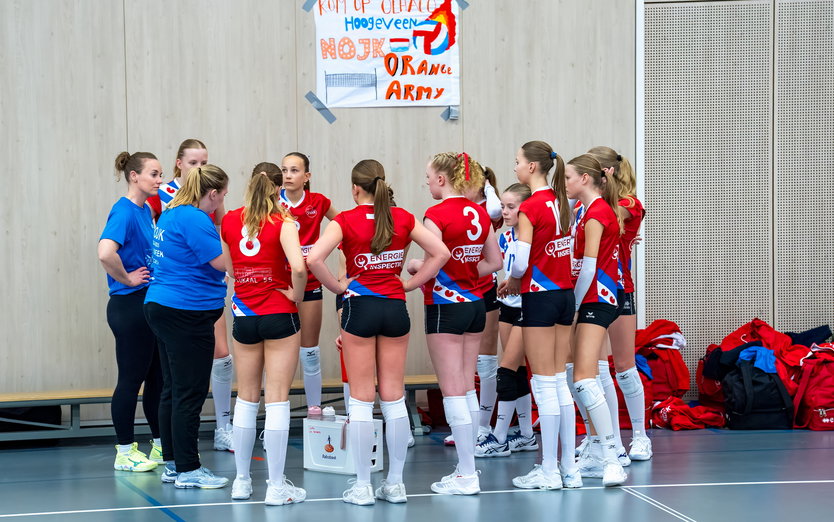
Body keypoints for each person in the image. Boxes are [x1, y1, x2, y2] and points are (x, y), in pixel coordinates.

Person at [307, 159, 449, 506]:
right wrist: (410, 284)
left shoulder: (345, 220)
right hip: (395, 309)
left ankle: (362, 486)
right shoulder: (403, 217)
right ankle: (395, 485)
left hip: (360, 308)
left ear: (355, 188)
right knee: (393, 398)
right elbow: (441, 252)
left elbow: (313, 259)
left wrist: (339, 287)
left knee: (360, 399)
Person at [410, 152, 502, 495]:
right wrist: (465, 275)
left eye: (429, 177)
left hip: (445, 306)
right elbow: (495, 261)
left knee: (452, 389)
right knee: (466, 386)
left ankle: (466, 474)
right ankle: (468, 468)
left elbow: (435, 260)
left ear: (442, 179)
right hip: (476, 304)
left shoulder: (435, 214)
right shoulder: (479, 211)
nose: (427, 182)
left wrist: (415, 272)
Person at [221, 167, 307, 505]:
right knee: (277, 398)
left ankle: (241, 481)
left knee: (246, 398)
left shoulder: (230, 220)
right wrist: (296, 295)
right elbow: (298, 267)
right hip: (278, 313)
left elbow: (229, 268)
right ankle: (276, 486)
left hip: (244, 315)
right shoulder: (283, 221)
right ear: (277, 188)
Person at [143, 165, 230, 489]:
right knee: (189, 393)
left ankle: (173, 463)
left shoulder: (172, 213)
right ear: (213, 194)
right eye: (223, 195)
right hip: (185, 312)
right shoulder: (194, 218)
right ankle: (189, 468)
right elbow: (222, 263)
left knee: (173, 389)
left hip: (164, 306)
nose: (223, 201)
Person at [499, 141, 579, 490]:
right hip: (565, 296)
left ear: (532, 167)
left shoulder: (531, 207)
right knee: (560, 383)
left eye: (517, 161)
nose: (515, 166)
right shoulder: (562, 201)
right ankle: (569, 469)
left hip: (541, 297)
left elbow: (520, 261)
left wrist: (513, 278)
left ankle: (548, 470)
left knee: (545, 385)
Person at [98, 151, 165, 472]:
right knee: (130, 379)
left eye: (160, 174)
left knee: (157, 379)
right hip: (129, 305)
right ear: (134, 176)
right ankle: (124, 451)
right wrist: (126, 278)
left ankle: (160, 444)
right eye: (154, 174)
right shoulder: (124, 211)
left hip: (146, 304)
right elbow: (105, 252)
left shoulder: (145, 210)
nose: (159, 180)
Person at [565, 153, 628, 487]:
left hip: (597, 299)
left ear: (585, 179)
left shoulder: (597, 211)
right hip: (587, 297)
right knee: (573, 374)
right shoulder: (585, 210)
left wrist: (573, 307)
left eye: (568, 178)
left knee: (585, 379)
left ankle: (612, 457)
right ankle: (594, 448)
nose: (564, 184)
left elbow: (589, 266)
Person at [589, 146, 651, 461]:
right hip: (591, 291)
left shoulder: (628, 204)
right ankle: (610, 442)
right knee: (598, 370)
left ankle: (640, 437)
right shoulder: (591, 204)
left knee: (625, 367)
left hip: (619, 288)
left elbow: (610, 217)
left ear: (606, 173)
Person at [475, 183, 537, 458]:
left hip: (528, 307)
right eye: (503, 206)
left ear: (526, 208)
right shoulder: (504, 237)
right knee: (517, 370)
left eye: (512, 207)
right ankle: (526, 434)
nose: (505, 212)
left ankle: (499, 437)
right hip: (507, 306)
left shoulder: (534, 236)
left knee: (506, 370)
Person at [279, 152, 338, 416]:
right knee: (281, 350)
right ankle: (277, 409)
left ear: (307, 176)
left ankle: (314, 407)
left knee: (310, 349)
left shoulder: (319, 202)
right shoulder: (273, 202)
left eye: (294, 170)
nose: (288, 175)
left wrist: (326, 253)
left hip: (311, 281)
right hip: (281, 283)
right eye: (284, 170)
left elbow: (345, 226)